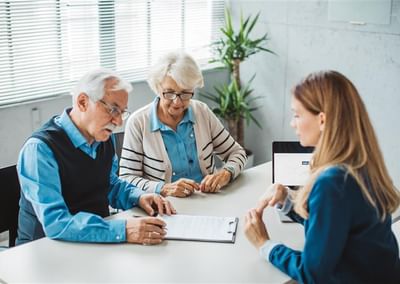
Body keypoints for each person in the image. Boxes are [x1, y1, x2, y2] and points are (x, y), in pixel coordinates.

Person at [244, 70, 400, 283]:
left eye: (297, 115)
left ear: (323, 120)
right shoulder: (360, 163)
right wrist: (288, 203)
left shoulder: (333, 182)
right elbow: (334, 227)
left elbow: (312, 274)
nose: (292, 123)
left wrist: (264, 244)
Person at [17, 68, 176, 246]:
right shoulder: (40, 149)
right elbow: (56, 223)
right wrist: (124, 230)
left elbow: (109, 185)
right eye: (113, 110)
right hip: (44, 249)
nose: (119, 122)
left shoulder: (102, 137)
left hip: (94, 242)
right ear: (83, 102)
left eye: (122, 112)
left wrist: (139, 196)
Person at [119, 51, 247, 197]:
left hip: (209, 200)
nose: (177, 102)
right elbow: (126, 178)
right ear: (157, 88)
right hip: (165, 206)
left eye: (185, 93)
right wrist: (163, 188)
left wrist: (226, 173)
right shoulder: (138, 123)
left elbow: (237, 152)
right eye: (169, 93)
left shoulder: (202, 112)